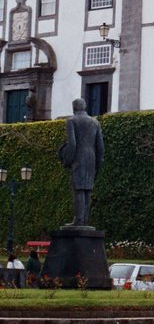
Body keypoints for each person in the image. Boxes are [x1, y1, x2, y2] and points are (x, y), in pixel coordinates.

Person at [57, 97, 105, 227]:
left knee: (78, 189)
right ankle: (84, 220)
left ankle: (78, 221)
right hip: (91, 158)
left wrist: (68, 160)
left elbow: (72, 143)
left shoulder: (71, 120)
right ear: (85, 107)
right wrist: (99, 164)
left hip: (79, 157)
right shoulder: (95, 122)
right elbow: (100, 146)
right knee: (87, 190)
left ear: (74, 108)